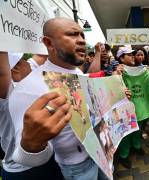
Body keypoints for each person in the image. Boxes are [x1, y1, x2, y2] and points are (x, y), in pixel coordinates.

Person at [8, 17, 99, 180]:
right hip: (77, 168)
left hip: (100, 154)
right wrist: (31, 145)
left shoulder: (79, 74)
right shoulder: (27, 90)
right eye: (72, 34)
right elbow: (24, 157)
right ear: (49, 43)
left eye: (82, 35)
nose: (81, 41)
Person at [0, 52, 64, 180]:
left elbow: (40, 57)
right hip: (24, 171)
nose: (30, 63)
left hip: (41, 160)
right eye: (25, 60)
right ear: (16, 68)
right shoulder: (8, 94)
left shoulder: (26, 86)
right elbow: (2, 73)